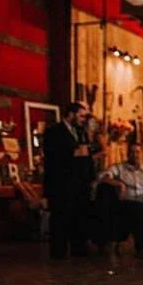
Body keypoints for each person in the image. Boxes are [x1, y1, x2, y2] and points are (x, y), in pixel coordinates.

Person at [44, 102, 95, 259]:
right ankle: (58, 251)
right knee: (60, 217)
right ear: (71, 114)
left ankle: (78, 248)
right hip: (62, 181)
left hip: (80, 182)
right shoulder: (54, 131)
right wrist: (78, 152)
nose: (82, 119)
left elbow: (87, 154)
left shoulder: (80, 132)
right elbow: (55, 155)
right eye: (80, 115)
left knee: (78, 215)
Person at [98, 143, 143, 257]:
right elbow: (103, 177)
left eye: (137, 152)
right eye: (132, 152)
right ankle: (141, 247)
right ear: (127, 154)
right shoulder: (120, 168)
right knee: (134, 209)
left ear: (142, 154)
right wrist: (118, 183)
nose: (134, 155)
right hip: (125, 202)